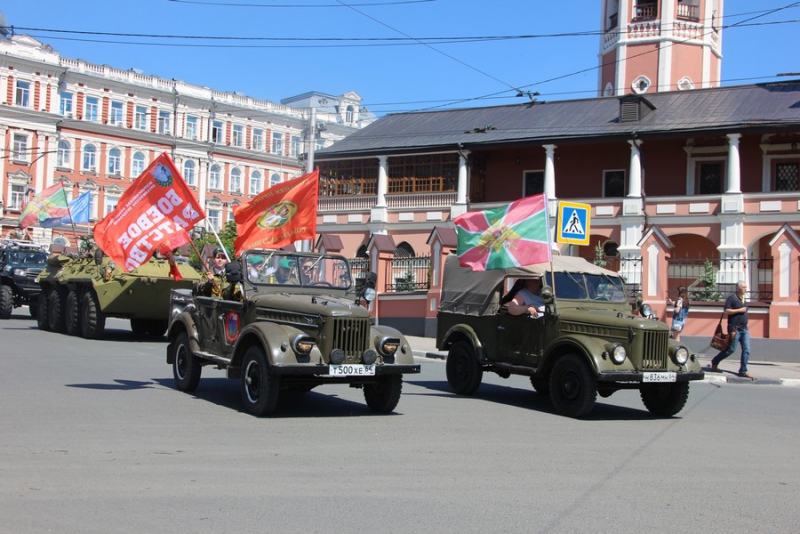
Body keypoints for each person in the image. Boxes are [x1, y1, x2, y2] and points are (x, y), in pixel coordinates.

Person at [710, 280, 751, 378]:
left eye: (746, 287)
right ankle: (715, 361)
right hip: (734, 329)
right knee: (731, 349)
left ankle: (743, 371)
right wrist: (739, 310)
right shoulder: (732, 298)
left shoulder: (744, 299)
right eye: (744, 287)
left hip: (744, 329)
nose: (746, 289)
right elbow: (726, 310)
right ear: (738, 288)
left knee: (747, 349)